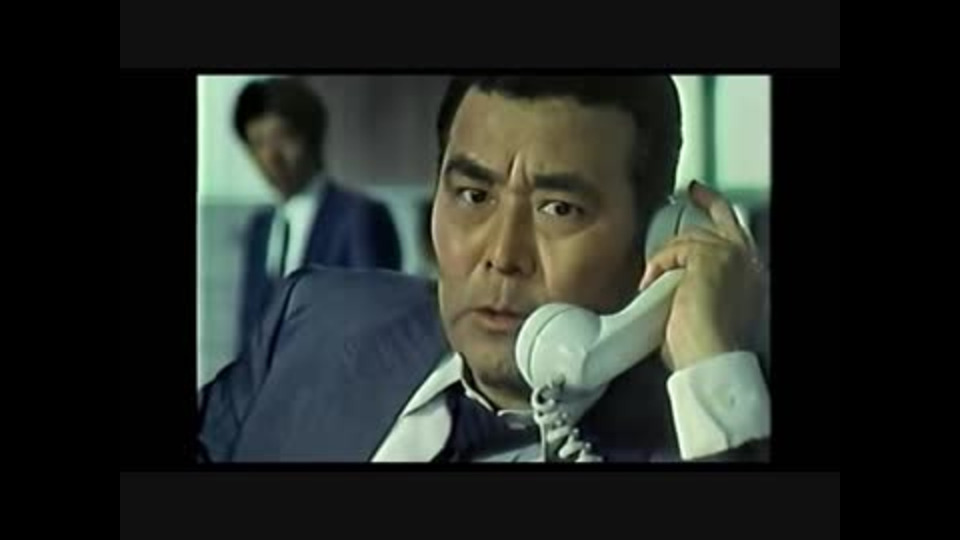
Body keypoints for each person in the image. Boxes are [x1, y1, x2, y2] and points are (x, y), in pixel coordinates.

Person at [199, 76, 770, 462]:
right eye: (473, 195)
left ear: (657, 236)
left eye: (559, 208)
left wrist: (712, 364)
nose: (502, 254)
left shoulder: (706, 432)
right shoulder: (312, 318)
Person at [232, 77, 402, 347]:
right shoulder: (259, 228)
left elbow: (374, 328)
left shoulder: (358, 217)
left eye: (282, 137)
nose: (271, 156)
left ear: (311, 138)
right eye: (258, 143)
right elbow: (248, 335)